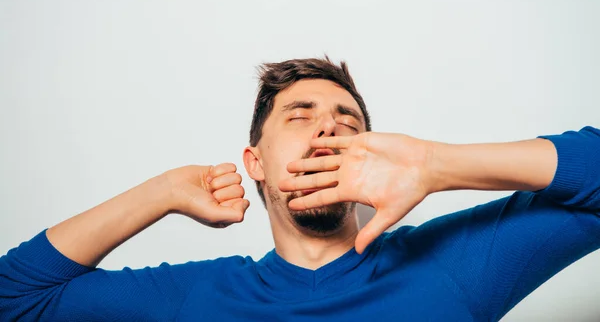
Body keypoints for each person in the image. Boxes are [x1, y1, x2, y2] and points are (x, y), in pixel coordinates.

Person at [0, 56, 598, 322]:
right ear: (254, 162)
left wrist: (436, 165)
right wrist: (160, 192)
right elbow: (14, 299)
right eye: (299, 114)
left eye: (348, 121)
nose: (327, 126)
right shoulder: (197, 298)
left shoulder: (454, 269)